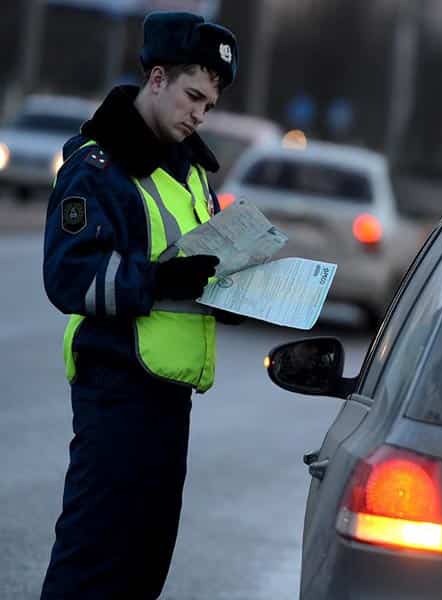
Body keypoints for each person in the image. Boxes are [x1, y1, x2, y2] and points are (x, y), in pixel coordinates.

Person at [40, 12, 241, 599]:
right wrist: (159, 281)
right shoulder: (98, 166)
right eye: (192, 96)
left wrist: (230, 290)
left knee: (142, 569)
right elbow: (69, 276)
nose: (200, 115)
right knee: (91, 565)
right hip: (117, 388)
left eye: (209, 105)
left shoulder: (192, 172)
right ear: (156, 79)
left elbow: (194, 267)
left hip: (169, 398)